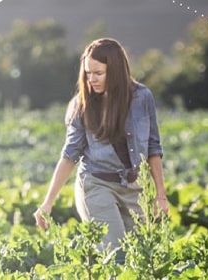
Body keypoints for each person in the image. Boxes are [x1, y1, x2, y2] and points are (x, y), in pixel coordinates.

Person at [32, 38, 169, 261]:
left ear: (115, 71)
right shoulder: (82, 104)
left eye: (98, 73)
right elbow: (69, 155)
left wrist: (160, 195)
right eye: (87, 73)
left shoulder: (142, 97)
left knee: (143, 257)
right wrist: (47, 203)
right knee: (117, 257)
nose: (91, 79)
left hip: (133, 186)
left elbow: (153, 147)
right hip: (96, 185)